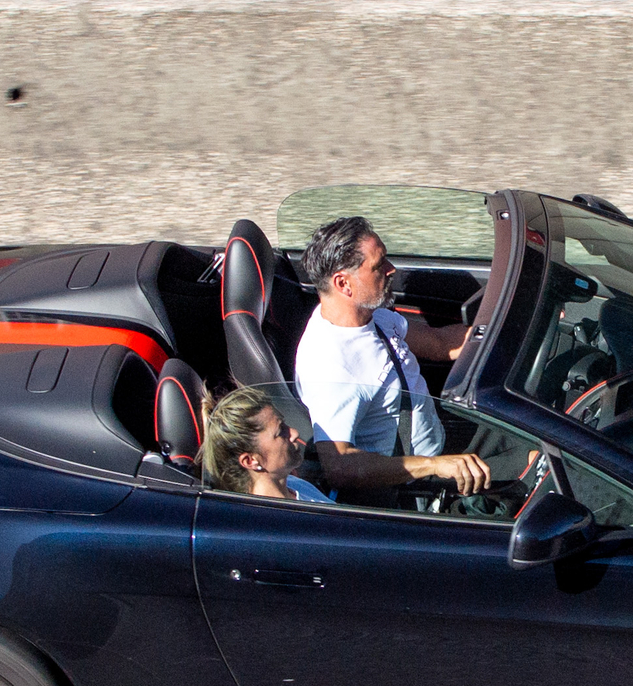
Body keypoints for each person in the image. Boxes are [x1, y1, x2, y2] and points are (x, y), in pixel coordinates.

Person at [293, 216, 492, 495]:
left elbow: (438, 343)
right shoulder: (331, 367)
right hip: (418, 483)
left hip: (441, 440)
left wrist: (508, 329)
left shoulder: (374, 318)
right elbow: (340, 468)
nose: (391, 269)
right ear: (343, 283)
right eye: (379, 265)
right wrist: (434, 465)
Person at [199, 387, 335, 503]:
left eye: (285, 424)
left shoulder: (297, 485)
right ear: (250, 460)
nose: (294, 433)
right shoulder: (268, 521)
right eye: (281, 432)